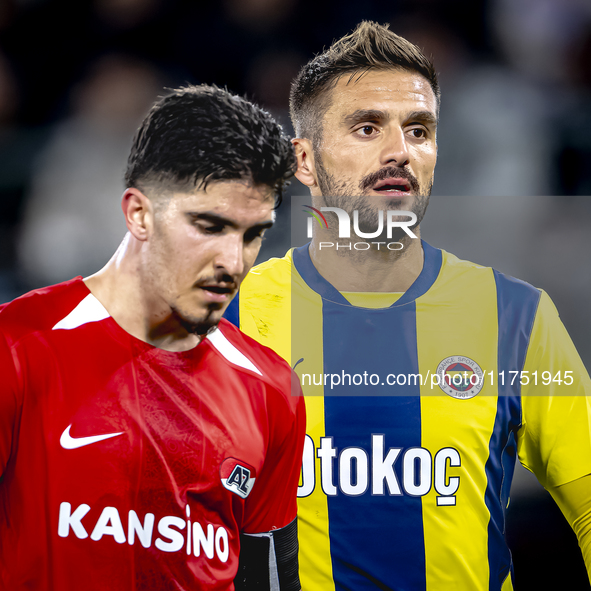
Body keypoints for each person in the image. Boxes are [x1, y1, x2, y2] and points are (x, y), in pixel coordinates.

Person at [226, 22, 591, 590]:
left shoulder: (516, 316)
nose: (400, 150)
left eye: (419, 130)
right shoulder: (227, 319)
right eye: (367, 127)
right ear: (303, 160)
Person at [0, 84, 306, 591]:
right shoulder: (18, 348)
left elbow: (270, 579)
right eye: (209, 226)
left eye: (253, 234)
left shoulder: (271, 389)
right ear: (139, 213)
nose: (234, 261)